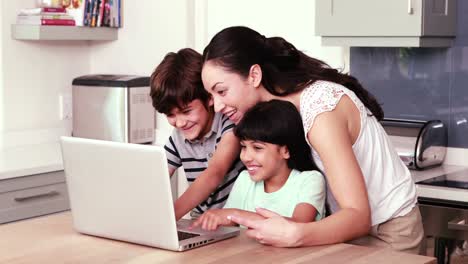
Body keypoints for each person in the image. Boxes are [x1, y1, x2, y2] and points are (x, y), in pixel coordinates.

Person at [200, 26, 424, 254]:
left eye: (222, 91)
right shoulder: (279, 111)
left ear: (254, 76)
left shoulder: (320, 110)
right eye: (211, 96)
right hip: (345, 230)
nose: (217, 106)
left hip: (390, 233)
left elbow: (358, 215)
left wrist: (295, 233)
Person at [191, 100, 325, 231]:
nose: (246, 157)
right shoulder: (245, 179)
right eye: (243, 147)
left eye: (257, 148)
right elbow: (228, 222)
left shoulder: (310, 180)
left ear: (285, 150)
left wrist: (237, 215)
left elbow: (298, 226)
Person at [149, 48, 245, 220]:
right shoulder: (178, 137)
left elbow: (214, 174)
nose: (179, 123)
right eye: (170, 115)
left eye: (186, 111)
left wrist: (170, 217)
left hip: (233, 224)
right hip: (199, 222)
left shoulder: (229, 126)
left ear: (209, 98)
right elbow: (155, 177)